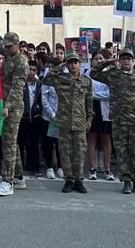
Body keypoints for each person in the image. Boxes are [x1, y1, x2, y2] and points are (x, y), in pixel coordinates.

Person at [90, 50, 135, 195]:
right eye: (123, 59)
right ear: (119, 61)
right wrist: (109, 61)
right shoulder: (113, 76)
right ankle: (126, 182)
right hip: (119, 121)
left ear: (133, 62)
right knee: (122, 152)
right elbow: (94, 73)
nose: (126, 61)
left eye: (129, 59)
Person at [41, 51, 93, 194]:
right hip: (63, 121)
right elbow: (45, 80)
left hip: (80, 122)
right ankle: (69, 180)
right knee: (65, 151)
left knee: (80, 152)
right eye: (70, 62)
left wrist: (89, 119)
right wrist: (59, 66)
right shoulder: (60, 78)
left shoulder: (86, 81)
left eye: (75, 62)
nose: (73, 65)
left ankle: (79, 180)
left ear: (80, 64)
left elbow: (89, 102)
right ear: (67, 64)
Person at [0, 32, 28, 197]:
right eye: (5, 46)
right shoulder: (6, 51)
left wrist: (8, 106)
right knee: (11, 142)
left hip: (13, 107)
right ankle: (19, 177)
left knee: (8, 144)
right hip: (3, 104)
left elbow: (17, 87)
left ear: (17, 44)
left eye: (9, 46)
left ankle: (7, 181)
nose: (6, 49)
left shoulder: (21, 62)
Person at [85, 54, 114, 181]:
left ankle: (106, 168)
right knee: (92, 138)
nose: (99, 61)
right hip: (92, 109)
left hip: (106, 109)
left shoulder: (110, 74)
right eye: (96, 59)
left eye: (101, 59)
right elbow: (86, 91)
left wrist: (94, 95)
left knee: (106, 138)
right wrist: (92, 95)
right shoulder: (88, 73)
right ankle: (92, 168)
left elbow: (111, 94)